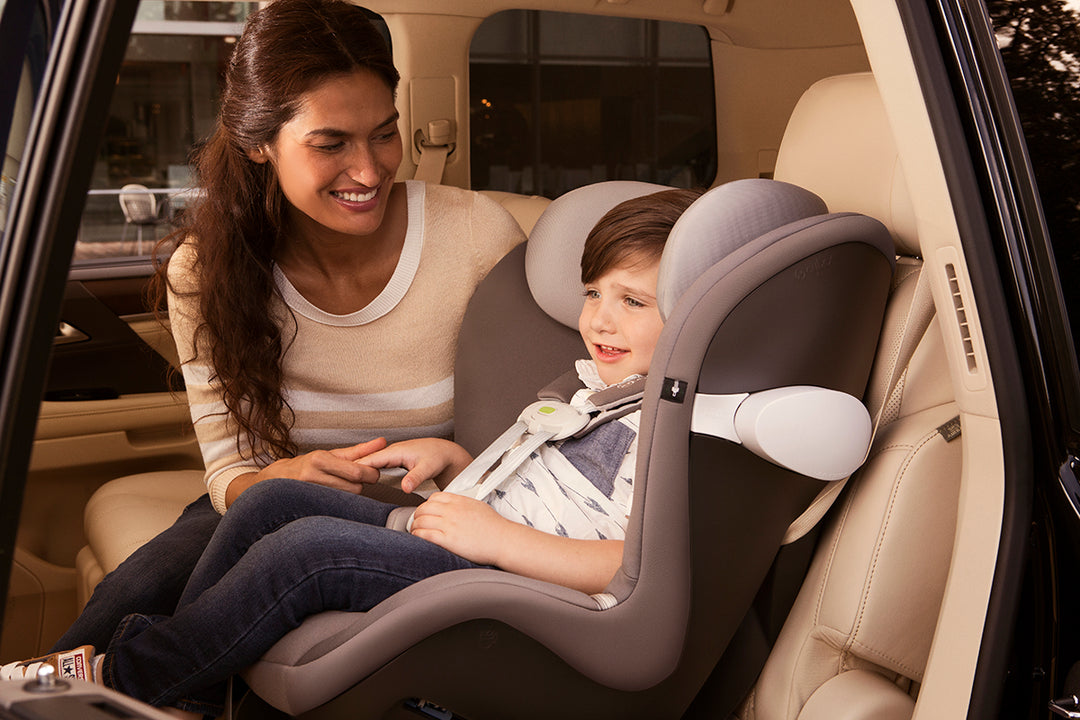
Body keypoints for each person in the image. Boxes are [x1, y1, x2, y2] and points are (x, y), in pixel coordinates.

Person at [0, 187, 704, 718]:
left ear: (698, 314)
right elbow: (539, 476)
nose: (600, 319)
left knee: (308, 553)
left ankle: (121, 684)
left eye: (633, 303)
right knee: (274, 499)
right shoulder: (598, 388)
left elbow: (628, 562)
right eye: (592, 294)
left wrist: (496, 539)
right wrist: (462, 466)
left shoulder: (666, 426)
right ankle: (191, 679)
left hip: (504, 574)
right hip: (468, 531)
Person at [49, 0, 525, 655]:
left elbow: (528, 437)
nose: (368, 170)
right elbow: (230, 473)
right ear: (258, 142)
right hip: (270, 500)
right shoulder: (206, 269)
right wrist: (285, 478)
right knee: (130, 599)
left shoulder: (477, 235)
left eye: (384, 133)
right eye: (331, 144)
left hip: (429, 515)